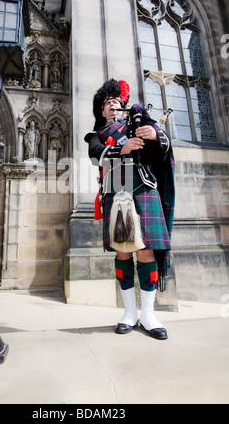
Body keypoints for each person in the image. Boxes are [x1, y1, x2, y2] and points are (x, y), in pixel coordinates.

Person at [84, 79, 175, 340]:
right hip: (117, 194)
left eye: (115, 100)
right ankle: (129, 312)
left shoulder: (138, 125)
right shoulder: (96, 135)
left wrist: (157, 135)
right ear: (101, 112)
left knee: (146, 251)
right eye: (106, 103)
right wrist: (121, 148)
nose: (111, 104)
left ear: (122, 106)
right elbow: (95, 155)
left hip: (143, 190)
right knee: (124, 252)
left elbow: (162, 150)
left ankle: (148, 314)